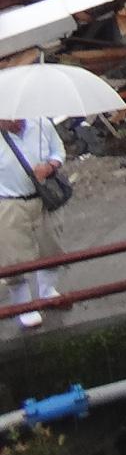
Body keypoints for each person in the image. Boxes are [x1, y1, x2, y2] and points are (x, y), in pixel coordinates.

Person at [0, 116, 64, 329]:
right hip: (9, 203)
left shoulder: (41, 124)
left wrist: (49, 167)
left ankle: (48, 292)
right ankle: (25, 306)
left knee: (49, 246)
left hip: (41, 197)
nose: (10, 121)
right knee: (14, 258)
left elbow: (58, 151)